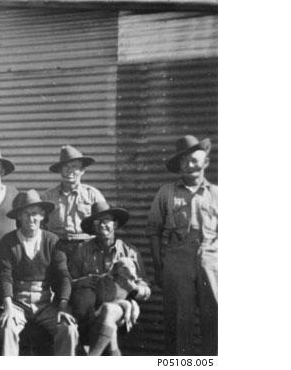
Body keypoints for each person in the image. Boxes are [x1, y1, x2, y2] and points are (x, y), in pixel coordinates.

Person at [147, 135, 218, 356]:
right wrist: (159, 266)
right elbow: (153, 231)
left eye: (195, 160)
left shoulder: (218, 193)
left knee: (217, 321)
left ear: (205, 162)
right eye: (184, 161)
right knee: (179, 323)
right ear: (179, 166)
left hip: (212, 262)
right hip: (177, 264)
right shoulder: (166, 193)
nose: (189, 165)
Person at [0, 190, 78, 356]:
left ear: (42, 215)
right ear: (18, 217)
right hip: (17, 304)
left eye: (35, 214)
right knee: (7, 328)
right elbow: (5, 276)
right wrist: (8, 306)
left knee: (68, 329)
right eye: (25, 214)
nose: (30, 218)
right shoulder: (8, 241)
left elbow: (63, 275)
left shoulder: (52, 240)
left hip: (46, 304)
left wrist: (62, 306)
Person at [69, 202, 151, 356]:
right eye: (97, 222)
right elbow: (67, 284)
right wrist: (82, 282)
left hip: (120, 306)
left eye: (106, 221)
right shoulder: (82, 251)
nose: (102, 225)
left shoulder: (129, 252)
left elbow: (145, 288)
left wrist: (132, 287)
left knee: (108, 310)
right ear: (93, 227)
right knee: (104, 322)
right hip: (90, 309)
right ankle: (113, 354)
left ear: (116, 224)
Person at [40, 145, 106, 257]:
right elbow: (39, 227)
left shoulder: (93, 195)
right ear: (60, 170)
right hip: (57, 247)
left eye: (74, 166)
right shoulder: (48, 197)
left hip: (87, 248)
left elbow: (105, 223)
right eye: (66, 167)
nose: (70, 171)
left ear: (82, 171)